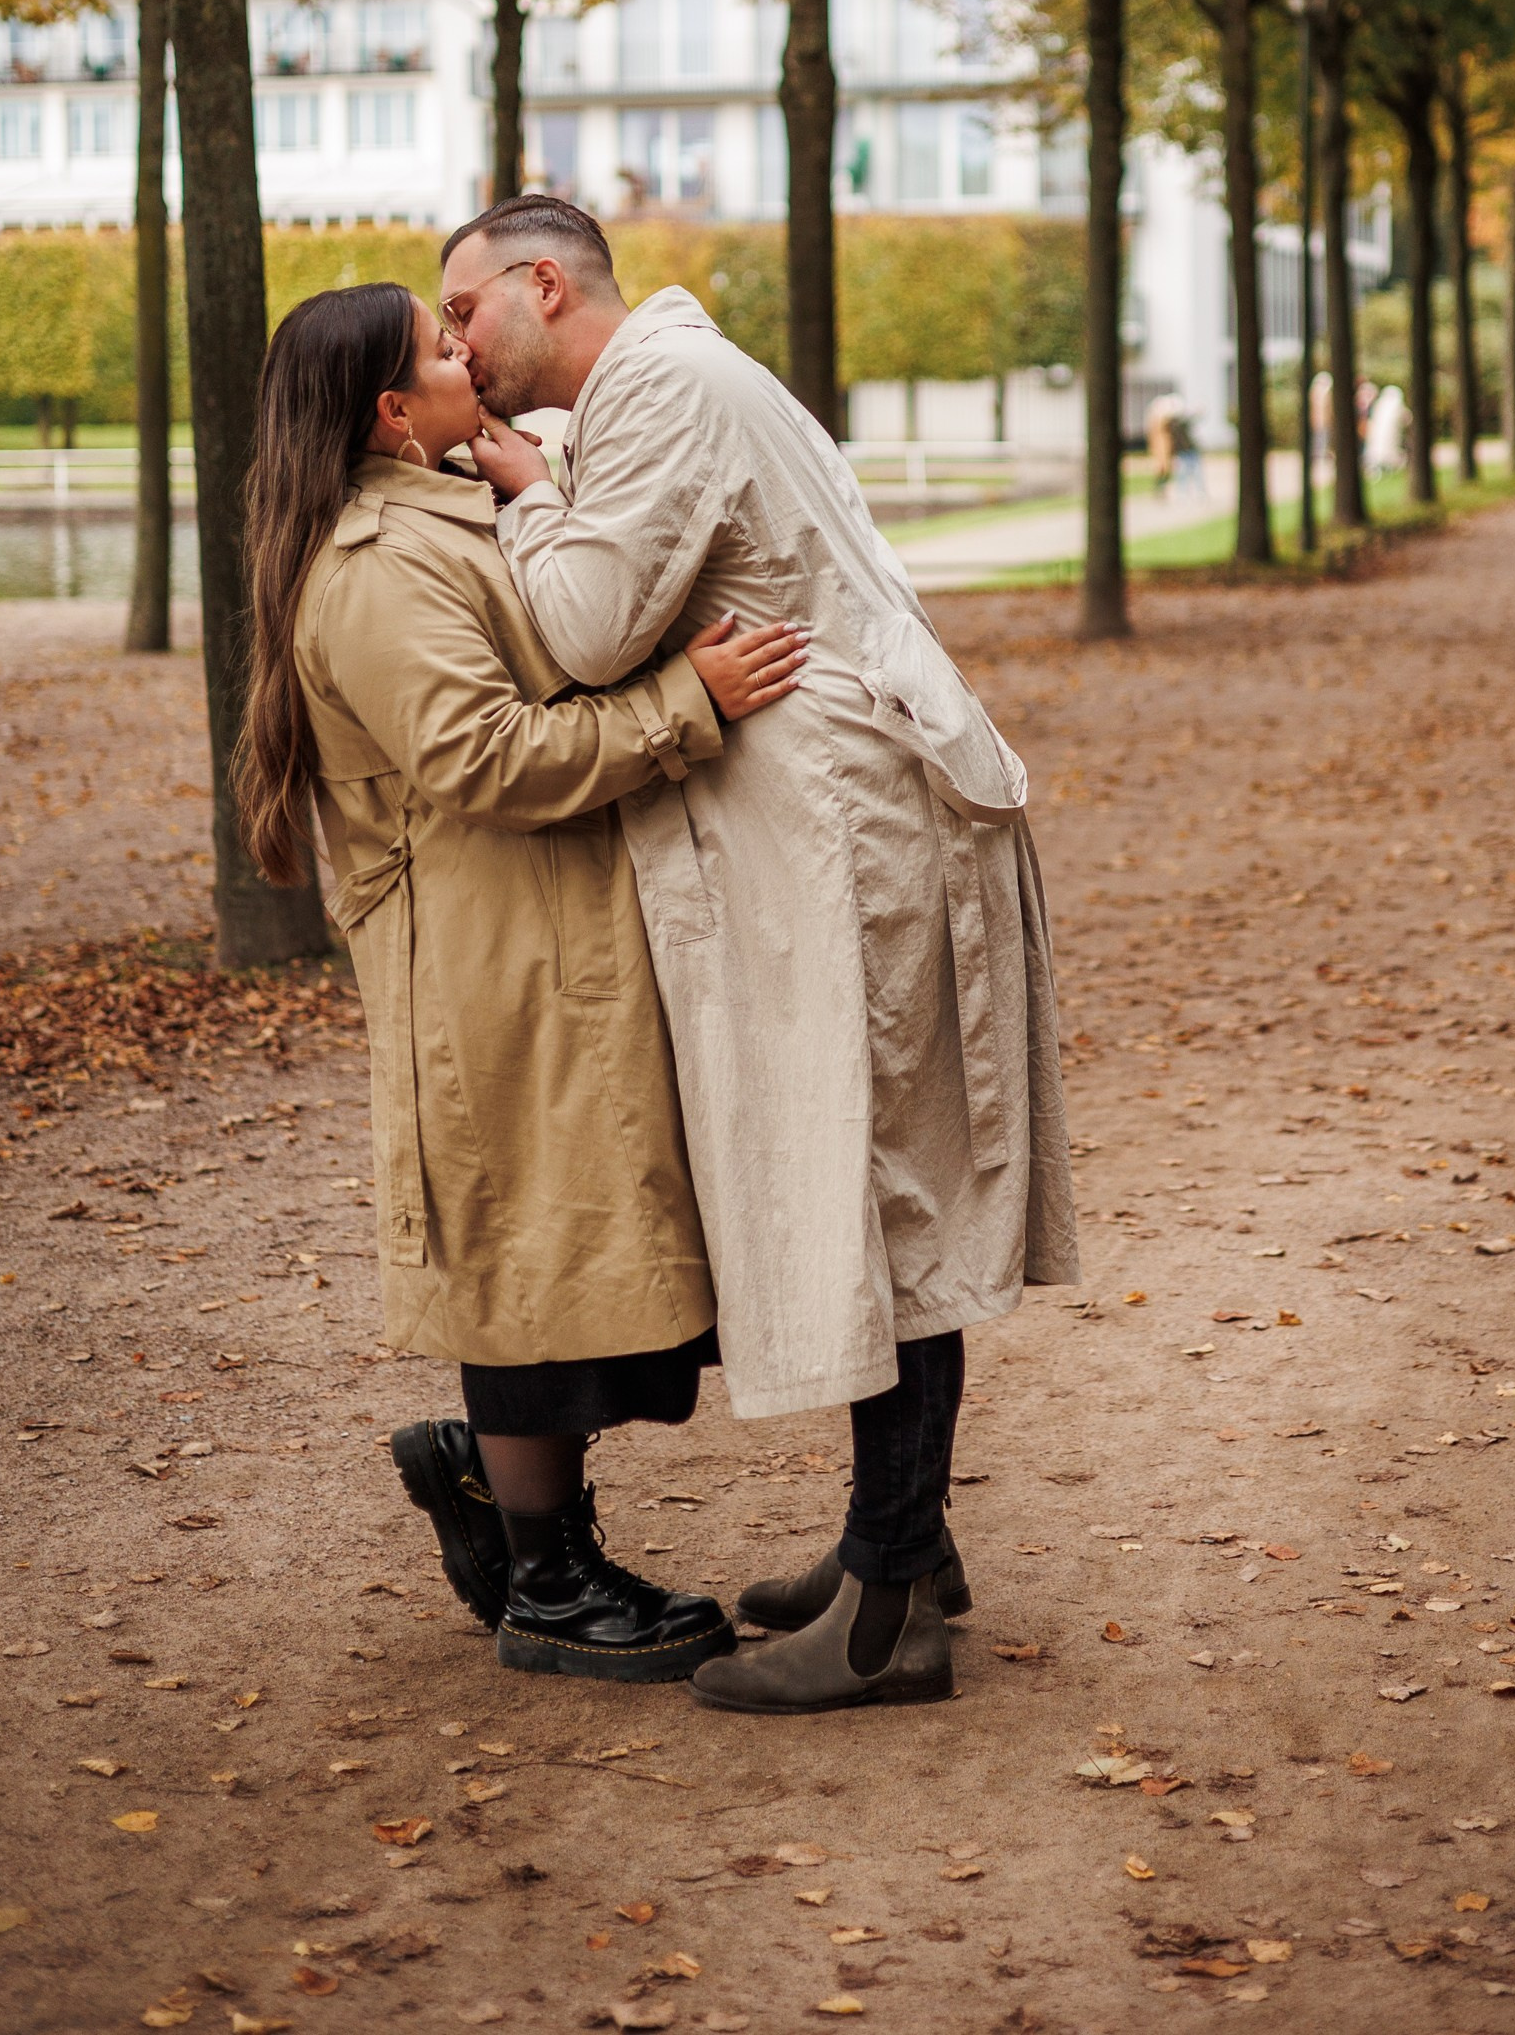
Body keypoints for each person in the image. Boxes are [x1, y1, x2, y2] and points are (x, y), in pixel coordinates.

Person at [446, 195, 1080, 1718]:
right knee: (877, 1183)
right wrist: (560, 475)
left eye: (465, 309)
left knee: (883, 1193)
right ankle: (900, 1555)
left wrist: (527, 502)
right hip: (847, 829)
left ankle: (885, 1613)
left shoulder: (660, 385)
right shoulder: (670, 382)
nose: (456, 346)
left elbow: (593, 627)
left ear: (547, 284)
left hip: (851, 842)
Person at [234, 281, 807, 1683]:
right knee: (527, 1253)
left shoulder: (437, 516)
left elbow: (546, 646)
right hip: (485, 957)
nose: (467, 358)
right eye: (441, 352)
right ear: (387, 409)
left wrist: (541, 490)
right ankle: (547, 1581)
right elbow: (482, 755)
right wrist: (690, 707)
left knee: (574, 1246)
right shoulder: (374, 564)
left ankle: (494, 1485)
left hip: (544, 934)